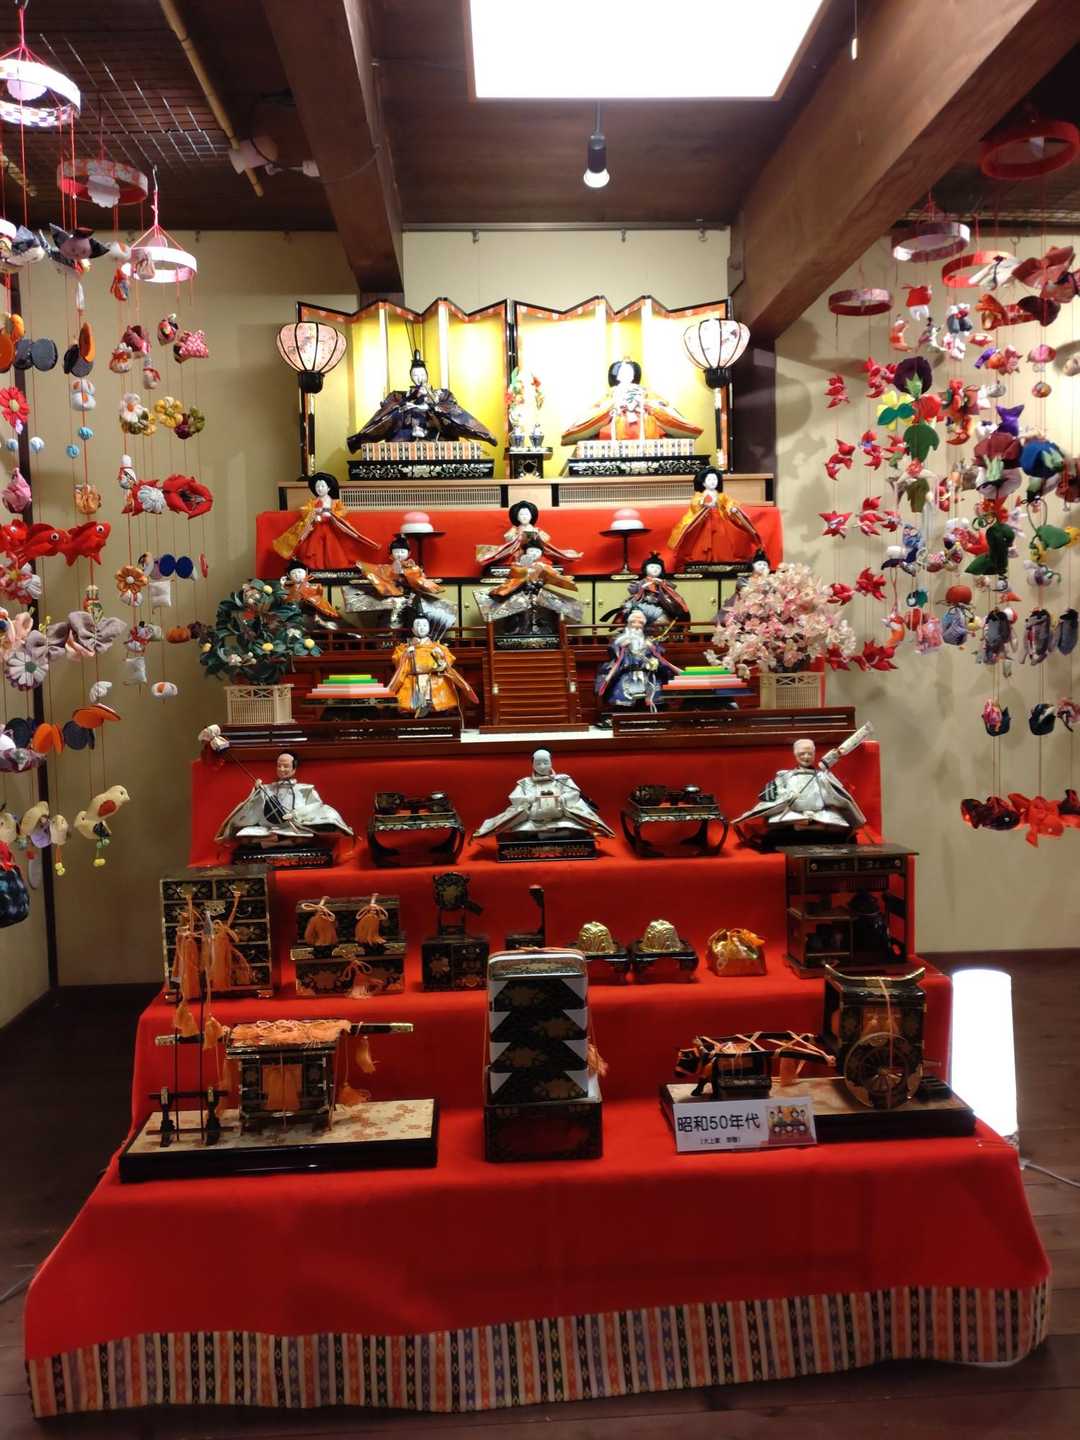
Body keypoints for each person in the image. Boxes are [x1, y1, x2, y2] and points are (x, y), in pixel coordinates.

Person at [733, 735, 868, 848]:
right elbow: (775, 791)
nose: (806, 757)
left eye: (810, 753)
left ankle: (812, 827)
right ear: (795, 754)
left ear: (814, 754)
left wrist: (829, 767)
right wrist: (787, 795)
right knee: (773, 824)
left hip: (819, 814)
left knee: (839, 826)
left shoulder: (821, 775)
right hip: (793, 814)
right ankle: (801, 826)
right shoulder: (785, 775)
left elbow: (835, 794)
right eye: (802, 754)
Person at [347, 349, 497, 448]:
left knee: (445, 412)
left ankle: (486, 435)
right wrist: (407, 403)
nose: (419, 378)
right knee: (395, 411)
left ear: (427, 374)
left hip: (436, 434)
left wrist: (429, 405)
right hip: (406, 436)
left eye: (422, 374)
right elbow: (388, 409)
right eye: (415, 375)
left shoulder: (441, 393)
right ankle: (359, 440)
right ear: (410, 376)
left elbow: (451, 407)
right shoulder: (400, 395)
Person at [215, 752, 353, 848]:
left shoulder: (304, 789)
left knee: (304, 839)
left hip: (293, 827)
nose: (282, 769)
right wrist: (257, 790)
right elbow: (254, 807)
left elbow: (316, 806)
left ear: (294, 769)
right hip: (269, 828)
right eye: (279, 765)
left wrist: (296, 814)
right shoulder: (268, 788)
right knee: (244, 839)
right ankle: (275, 841)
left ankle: (269, 843)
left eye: (286, 766)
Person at [475, 749, 614, 840]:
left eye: (545, 762)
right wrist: (529, 799)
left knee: (577, 830)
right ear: (532, 764)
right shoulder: (525, 783)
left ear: (551, 762)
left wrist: (562, 798)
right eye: (538, 763)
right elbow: (515, 798)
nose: (542, 766)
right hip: (533, 820)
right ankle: (547, 835)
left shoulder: (563, 779)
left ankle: (551, 835)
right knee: (519, 833)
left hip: (561, 818)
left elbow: (574, 792)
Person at [561, 358, 702, 445]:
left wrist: (646, 405)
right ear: (617, 375)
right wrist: (614, 405)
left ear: (634, 374)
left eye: (629, 371)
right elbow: (597, 407)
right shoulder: (611, 392)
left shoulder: (645, 390)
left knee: (652, 425)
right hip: (617, 418)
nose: (626, 374)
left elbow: (662, 403)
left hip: (643, 419)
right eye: (622, 372)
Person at [348, 535, 456, 638]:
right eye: (396, 551)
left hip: (411, 596)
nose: (399, 554)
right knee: (390, 611)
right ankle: (388, 635)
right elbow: (375, 572)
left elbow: (419, 580)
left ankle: (415, 636)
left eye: (402, 551)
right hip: (392, 597)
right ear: (391, 554)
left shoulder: (413, 568)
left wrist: (405, 573)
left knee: (422, 613)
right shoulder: (386, 568)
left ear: (409, 553)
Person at [474, 542, 583, 639]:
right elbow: (513, 578)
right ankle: (518, 631)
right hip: (522, 593)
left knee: (549, 610)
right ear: (525, 552)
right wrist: (522, 573)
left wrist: (542, 582)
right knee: (519, 612)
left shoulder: (543, 566)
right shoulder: (518, 565)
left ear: (541, 553)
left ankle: (543, 630)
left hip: (538, 593)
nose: (534, 554)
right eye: (531, 551)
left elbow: (555, 577)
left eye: (537, 551)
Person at [272, 474, 377, 573]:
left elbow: (341, 512)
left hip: (329, 527)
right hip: (316, 528)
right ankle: (315, 568)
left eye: (322, 486)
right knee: (315, 548)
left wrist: (331, 514)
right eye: (317, 486)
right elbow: (305, 511)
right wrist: (313, 513)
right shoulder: (312, 502)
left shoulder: (334, 502)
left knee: (331, 548)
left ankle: (333, 569)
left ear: (328, 488)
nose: (320, 488)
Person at [668, 466, 765, 567]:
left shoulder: (721, 495)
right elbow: (695, 504)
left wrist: (731, 508)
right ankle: (701, 561)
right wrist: (702, 502)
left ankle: (722, 560)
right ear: (703, 482)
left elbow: (729, 502)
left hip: (720, 519)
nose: (713, 482)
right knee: (699, 541)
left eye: (715, 479)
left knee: (723, 539)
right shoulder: (699, 495)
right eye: (709, 479)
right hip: (704, 521)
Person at [387, 617, 477, 717]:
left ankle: (436, 712)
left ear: (429, 628)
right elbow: (397, 661)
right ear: (412, 630)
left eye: (425, 625)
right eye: (418, 625)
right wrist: (405, 655)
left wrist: (441, 655)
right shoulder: (403, 648)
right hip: (412, 679)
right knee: (408, 702)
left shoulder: (439, 648)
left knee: (440, 700)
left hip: (435, 679)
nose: (422, 628)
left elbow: (447, 663)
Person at [595, 609, 681, 712]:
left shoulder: (650, 642)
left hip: (648, 676)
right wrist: (621, 647)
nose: (636, 625)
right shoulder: (620, 641)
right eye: (633, 622)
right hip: (627, 675)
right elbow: (616, 658)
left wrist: (652, 652)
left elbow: (659, 657)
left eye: (640, 623)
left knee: (652, 698)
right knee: (623, 700)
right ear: (628, 624)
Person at [476, 501, 582, 569]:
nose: (524, 516)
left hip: (535, 550)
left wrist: (536, 537)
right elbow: (508, 538)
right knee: (516, 557)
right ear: (516, 516)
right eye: (521, 514)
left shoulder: (536, 529)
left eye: (527, 514)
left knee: (541, 557)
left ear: (532, 516)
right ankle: (526, 561)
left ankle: (531, 561)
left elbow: (546, 539)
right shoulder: (515, 529)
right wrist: (518, 538)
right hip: (518, 551)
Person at [601, 552, 690, 628]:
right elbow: (633, 591)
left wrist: (662, 585)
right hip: (643, 603)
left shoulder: (663, 582)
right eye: (652, 567)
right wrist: (642, 587)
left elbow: (671, 591)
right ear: (645, 568)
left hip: (660, 604)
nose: (655, 570)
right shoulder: (642, 582)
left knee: (665, 617)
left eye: (658, 568)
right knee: (630, 612)